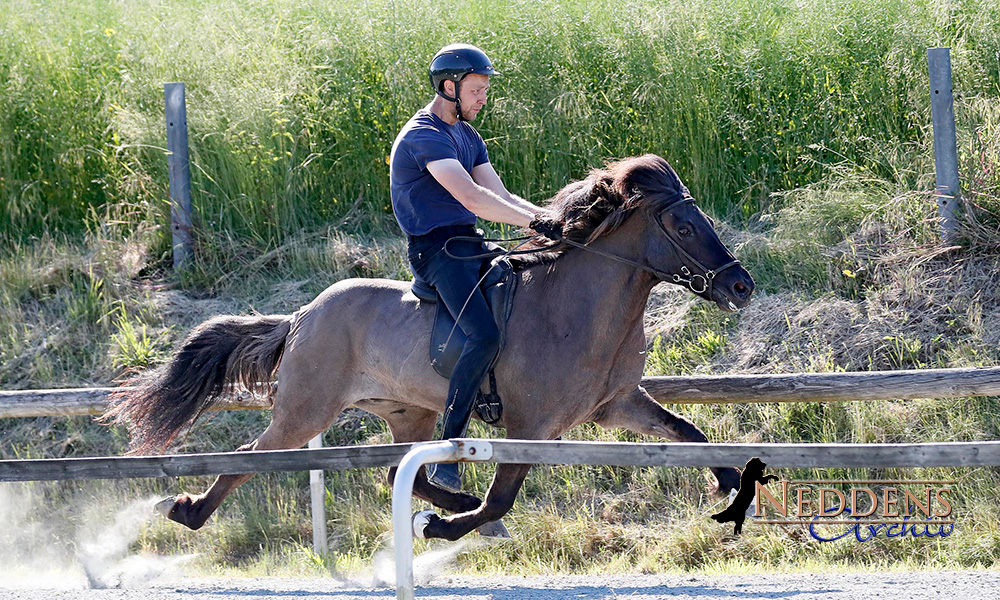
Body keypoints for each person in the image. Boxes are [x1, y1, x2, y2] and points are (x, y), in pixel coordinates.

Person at [389, 43, 562, 492]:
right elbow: (472, 199)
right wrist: (534, 221)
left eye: (485, 90)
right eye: (477, 89)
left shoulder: (468, 136)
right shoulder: (423, 135)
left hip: (470, 244)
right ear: (449, 86)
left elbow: (499, 195)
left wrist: (556, 222)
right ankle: (448, 451)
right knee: (483, 333)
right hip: (437, 251)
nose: (483, 98)